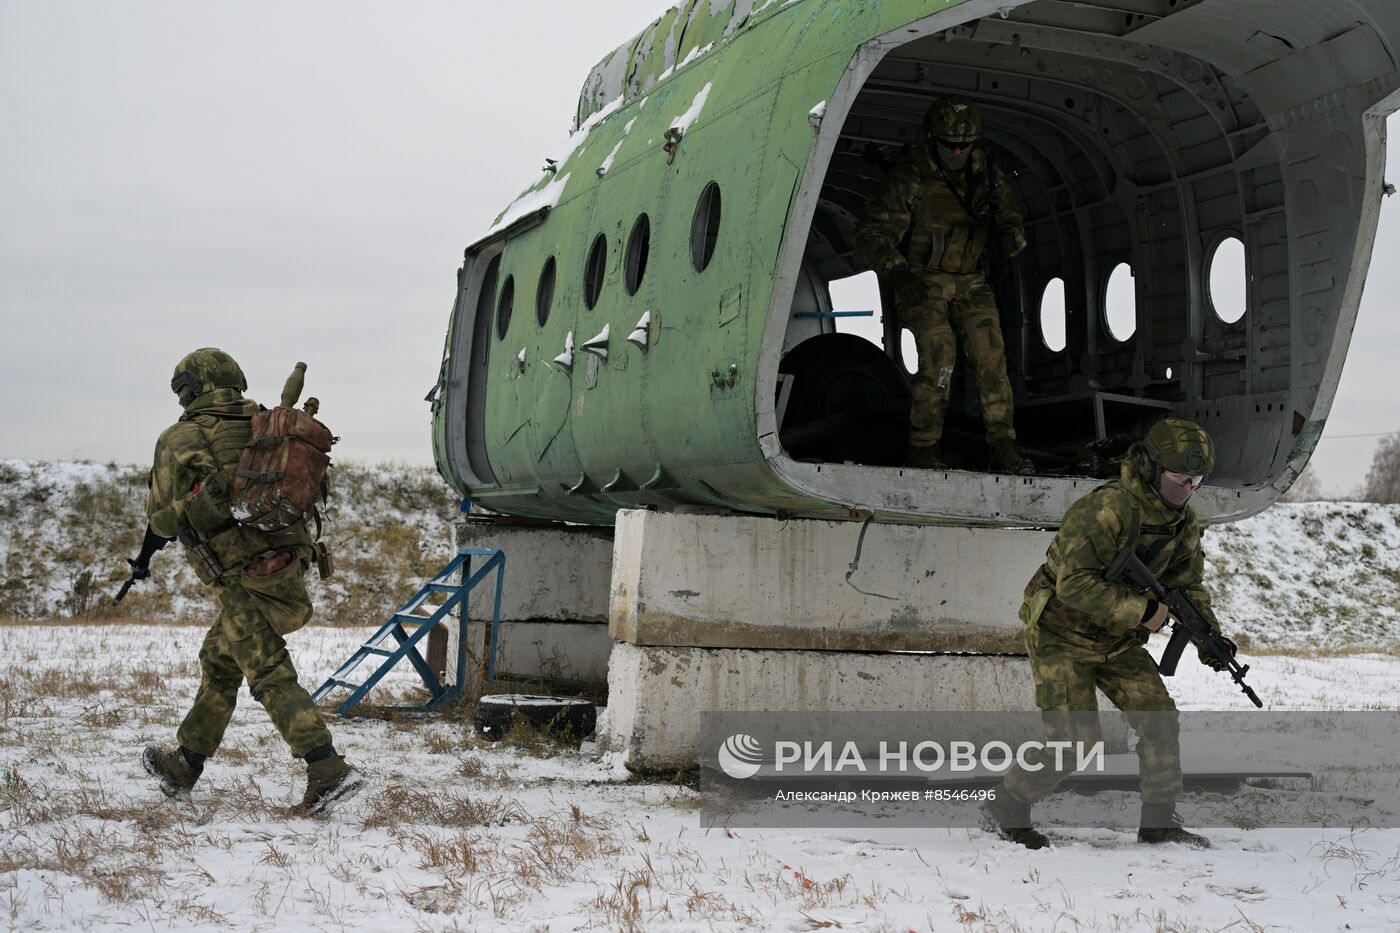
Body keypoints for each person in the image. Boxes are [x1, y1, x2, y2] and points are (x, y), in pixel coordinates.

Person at [980, 417, 1236, 848]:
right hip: (1060, 635)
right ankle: (1006, 805)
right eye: (1179, 481)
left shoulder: (1183, 524)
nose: (1188, 490)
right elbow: (1073, 584)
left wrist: (1209, 638)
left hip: (1116, 640)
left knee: (1159, 721)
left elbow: (1188, 585)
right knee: (1075, 742)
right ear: (1153, 469)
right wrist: (1143, 611)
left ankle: (1158, 823)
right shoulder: (1106, 510)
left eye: (1196, 482)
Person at [133, 348, 362, 815]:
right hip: (289, 559)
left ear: (191, 390)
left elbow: (161, 519)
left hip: (240, 573)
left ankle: (327, 768)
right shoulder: (269, 424)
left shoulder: (180, 438)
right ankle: (186, 764)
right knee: (220, 659)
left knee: (267, 670)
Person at [857, 96, 1033, 474]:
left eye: (964, 144)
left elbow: (1013, 225)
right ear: (932, 139)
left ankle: (1004, 446)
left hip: (972, 280)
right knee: (939, 356)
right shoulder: (912, 176)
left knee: (991, 357)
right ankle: (923, 447)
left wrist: (1008, 238)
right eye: (949, 144)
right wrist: (898, 272)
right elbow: (874, 233)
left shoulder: (988, 175)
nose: (957, 151)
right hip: (924, 279)